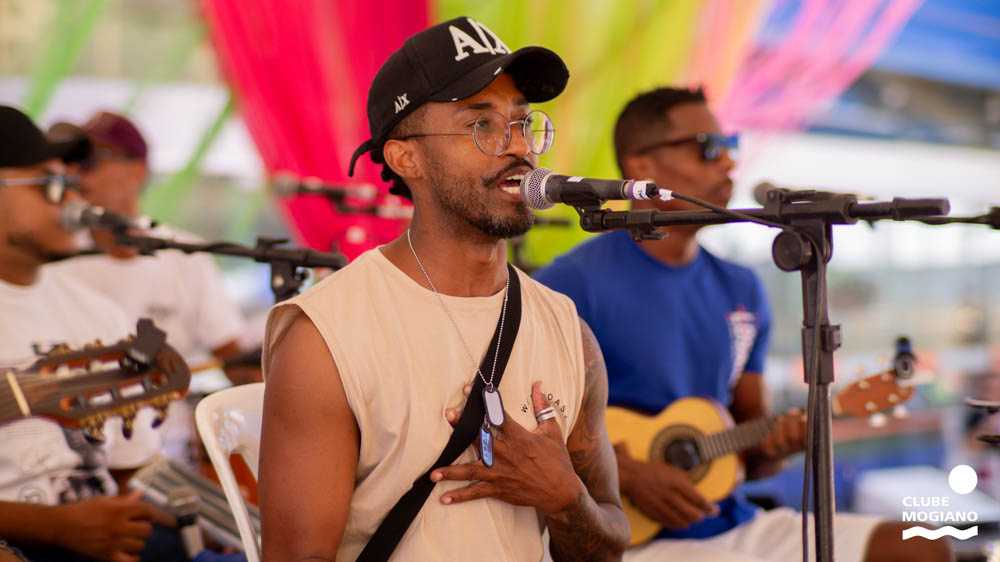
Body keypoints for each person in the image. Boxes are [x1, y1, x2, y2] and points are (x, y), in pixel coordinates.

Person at [259, 17, 629, 561]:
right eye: (482, 124)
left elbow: (610, 542)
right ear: (405, 158)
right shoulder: (325, 339)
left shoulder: (568, 331)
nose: (519, 147)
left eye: (522, 122)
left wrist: (565, 499)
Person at [534, 87, 951, 561]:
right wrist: (626, 475)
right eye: (708, 147)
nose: (729, 163)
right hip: (623, 538)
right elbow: (520, 426)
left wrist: (780, 443)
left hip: (729, 519)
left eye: (730, 145)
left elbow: (752, 457)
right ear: (642, 166)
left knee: (922, 547)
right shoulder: (570, 284)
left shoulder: (742, 288)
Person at [0, 105, 182, 561]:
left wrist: (215, 515)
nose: (73, 199)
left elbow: (129, 471)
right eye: (50, 184)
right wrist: (56, 528)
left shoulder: (97, 313)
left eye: (71, 181)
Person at [46, 112, 256, 386]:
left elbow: (235, 362)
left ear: (136, 172)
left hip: (165, 415)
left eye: (90, 160)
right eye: (70, 161)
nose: (75, 172)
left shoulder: (186, 256)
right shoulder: (55, 256)